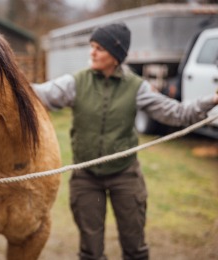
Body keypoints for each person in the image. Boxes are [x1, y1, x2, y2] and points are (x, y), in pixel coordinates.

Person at [32, 23, 218, 260]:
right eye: (92, 46)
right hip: (86, 178)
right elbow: (37, 94)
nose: (92, 52)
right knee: (90, 252)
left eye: (99, 48)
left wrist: (213, 99)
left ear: (116, 55)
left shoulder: (137, 87)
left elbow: (178, 113)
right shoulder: (75, 83)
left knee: (135, 248)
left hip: (125, 176)